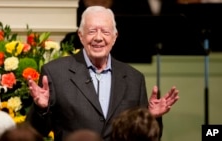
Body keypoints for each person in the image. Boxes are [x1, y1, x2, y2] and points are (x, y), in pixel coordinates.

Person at [26, 5, 179, 141]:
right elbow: (36, 132)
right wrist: (41, 109)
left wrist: (152, 118)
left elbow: (147, 137)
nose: (98, 38)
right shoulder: (55, 72)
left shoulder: (134, 78)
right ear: (81, 35)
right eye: (92, 31)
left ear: (114, 37)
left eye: (105, 32)